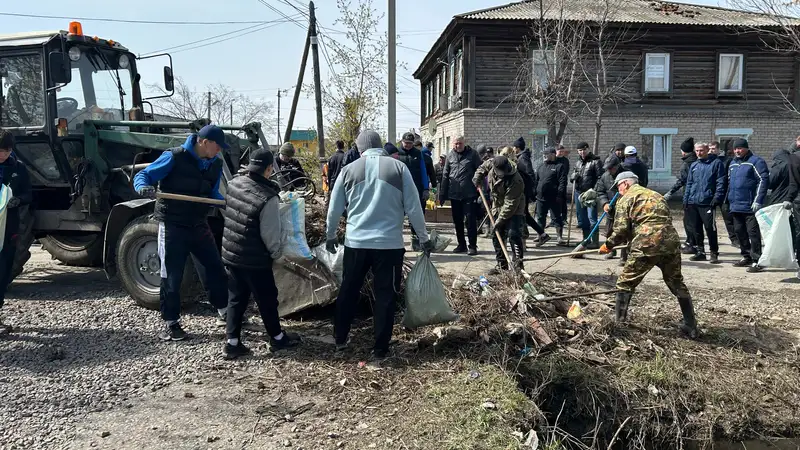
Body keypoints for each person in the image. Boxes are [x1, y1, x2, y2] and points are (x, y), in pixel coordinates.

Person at [326, 130, 433, 364]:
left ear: (360, 148)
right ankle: (380, 349)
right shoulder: (399, 168)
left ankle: (340, 339)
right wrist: (423, 238)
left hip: (356, 242)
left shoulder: (349, 170)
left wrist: (330, 234)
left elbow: (334, 208)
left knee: (349, 290)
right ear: (380, 146)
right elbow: (414, 207)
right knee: (385, 295)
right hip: (389, 244)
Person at [133, 124, 229, 341]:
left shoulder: (215, 164)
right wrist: (142, 187)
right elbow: (144, 175)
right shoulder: (174, 157)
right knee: (172, 274)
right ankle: (171, 322)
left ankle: (224, 311)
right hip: (173, 225)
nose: (219, 151)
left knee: (214, 267)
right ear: (204, 143)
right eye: (217, 146)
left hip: (198, 223)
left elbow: (211, 193)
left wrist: (222, 202)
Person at [220, 148, 301, 359]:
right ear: (268, 169)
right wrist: (277, 254)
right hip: (255, 259)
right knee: (267, 298)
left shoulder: (234, 184)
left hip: (232, 253)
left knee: (236, 298)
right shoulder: (268, 197)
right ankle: (277, 338)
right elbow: (270, 235)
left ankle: (232, 343)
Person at [598, 172, 698, 338]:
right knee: (676, 282)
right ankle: (691, 325)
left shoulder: (627, 198)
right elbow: (661, 219)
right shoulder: (656, 195)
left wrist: (608, 245)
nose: (618, 190)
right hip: (671, 242)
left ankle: (619, 324)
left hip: (647, 244)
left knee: (625, 283)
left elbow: (620, 229)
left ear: (625, 184)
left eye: (618, 187)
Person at [0, 130, 31, 334]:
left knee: (2, 271)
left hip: (8, 227)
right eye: (0, 150)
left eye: (7, 150)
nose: (3, 154)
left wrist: (18, 200)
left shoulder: (18, 169)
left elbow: (28, 193)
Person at [474, 155, 525, 274]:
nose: (503, 173)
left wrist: (500, 220)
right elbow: (482, 168)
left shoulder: (516, 180)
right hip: (497, 205)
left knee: (513, 234)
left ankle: (518, 266)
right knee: (496, 234)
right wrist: (478, 177)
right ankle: (502, 265)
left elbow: (510, 204)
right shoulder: (492, 163)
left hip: (515, 207)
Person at [727, 138, 769, 272]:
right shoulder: (733, 163)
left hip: (750, 205)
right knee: (739, 231)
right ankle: (746, 256)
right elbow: (730, 183)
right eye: (735, 149)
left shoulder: (756, 162)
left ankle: (757, 260)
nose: (737, 151)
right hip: (735, 205)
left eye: (739, 148)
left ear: (746, 148)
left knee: (753, 233)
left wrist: (758, 200)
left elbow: (763, 180)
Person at [683, 142, 726, 264]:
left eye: (701, 150)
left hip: (707, 202)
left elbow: (720, 182)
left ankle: (714, 253)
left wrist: (717, 197)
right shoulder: (694, 165)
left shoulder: (716, 163)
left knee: (710, 228)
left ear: (707, 150)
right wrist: (686, 200)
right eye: (697, 151)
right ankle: (700, 252)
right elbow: (689, 183)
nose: (699, 153)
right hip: (693, 202)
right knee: (696, 228)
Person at [439, 136, 482, 255]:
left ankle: (472, 245)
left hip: (469, 193)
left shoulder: (473, 154)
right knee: (457, 221)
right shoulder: (450, 156)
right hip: (454, 194)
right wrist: (442, 194)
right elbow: (445, 175)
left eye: (460, 143)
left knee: (470, 221)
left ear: (464, 143)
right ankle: (461, 244)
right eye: (456, 144)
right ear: (453, 144)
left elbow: (481, 170)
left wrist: (480, 187)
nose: (458, 146)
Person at [397, 132, 432, 251]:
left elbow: (423, 171)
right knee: (398, 217)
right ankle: (397, 240)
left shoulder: (418, 154)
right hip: (399, 191)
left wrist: (426, 188)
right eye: (406, 143)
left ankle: (415, 240)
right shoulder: (396, 154)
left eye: (410, 143)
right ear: (402, 142)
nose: (408, 145)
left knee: (416, 216)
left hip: (416, 189)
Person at [664, 137, 699, 255]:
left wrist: (670, 192)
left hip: (689, 196)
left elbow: (682, 181)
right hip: (699, 196)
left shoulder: (687, 164)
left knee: (689, 221)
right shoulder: (697, 161)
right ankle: (693, 243)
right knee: (694, 221)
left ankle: (692, 244)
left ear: (683, 151)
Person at [513, 137, 550, 246]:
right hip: (523, 191)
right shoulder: (521, 157)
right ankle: (542, 234)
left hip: (523, 192)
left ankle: (531, 238)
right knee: (525, 215)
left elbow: (529, 174)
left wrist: (528, 191)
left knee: (523, 215)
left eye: (514, 147)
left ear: (518, 148)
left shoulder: (523, 158)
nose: (514, 149)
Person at [571, 142, 603, 249]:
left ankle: (595, 241)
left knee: (592, 218)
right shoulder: (578, 163)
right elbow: (573, 177)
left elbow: (600, 178)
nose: (582, 152)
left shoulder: (596, 161)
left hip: (590, 194)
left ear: (588, 149)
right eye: (580, 150)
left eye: (584, 150)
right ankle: (585, 240)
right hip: (579, 193)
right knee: (583, 219)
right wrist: (573, 177)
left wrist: (594, 191)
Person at [536, 147, 568, 244]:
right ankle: (540, 236)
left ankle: (559, 238)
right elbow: (536, 180)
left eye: (547, 154)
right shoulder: (541, 166)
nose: (544, 155)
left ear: (553, 154)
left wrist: (559, 194)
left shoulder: (559, 166)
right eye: (544, 154)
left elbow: (563, 182)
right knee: (540, 217)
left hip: (554, 197)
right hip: (540, 197)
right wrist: (534, 192)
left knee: (556, 217)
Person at [595, 155, 622, 261]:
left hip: (624, 208)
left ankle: (624, 256)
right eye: (608, 168)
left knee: (624, 231)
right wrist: (605, 203)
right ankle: (611, 250)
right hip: (611, 208)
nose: (609, 170)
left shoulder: (625, 175)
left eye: (611, 168)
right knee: (609, 231)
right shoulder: (605, 176)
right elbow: (600, 191)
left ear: (617, 166)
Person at [715, 141, 739, 248]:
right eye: (710, 149)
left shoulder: (726, 161)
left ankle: (734, 239)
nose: (711, 151)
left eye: (713, 149)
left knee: (728, 218)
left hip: (724, 194)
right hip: (711, 194)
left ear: (718, 150)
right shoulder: (707, 162)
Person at [555, 145, 570, 226]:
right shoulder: (554, 159)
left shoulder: (565, 161)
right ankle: (554, 220)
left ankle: (564, 218)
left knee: (563, 202)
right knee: (553, 202)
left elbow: (565, 172)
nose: (561, 153)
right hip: (553, 184)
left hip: (562, 184)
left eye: (563, 152)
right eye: (560, 151)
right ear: (556, 151)